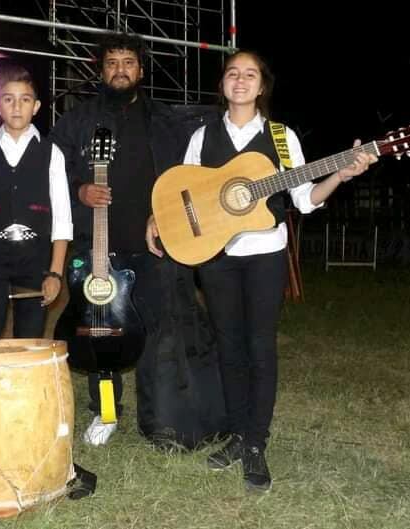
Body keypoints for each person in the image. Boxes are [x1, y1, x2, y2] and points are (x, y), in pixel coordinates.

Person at [152, 49, 377, 491]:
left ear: (262, 86)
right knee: (228, 346)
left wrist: (341, 176)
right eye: (232, 73)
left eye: (249, 74)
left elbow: (304, 200)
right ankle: (237, 435)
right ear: (222, 85)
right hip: (216, 255)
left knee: (259, 346)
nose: (240, 80)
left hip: (265, 254)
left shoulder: (280, 137)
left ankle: (255, 442)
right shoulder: (202, 136)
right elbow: (185, 189)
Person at [49, 33, 188, 446]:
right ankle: (107, 412)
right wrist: (80, 190)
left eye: (128, 62)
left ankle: (157, 417)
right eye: (112, 62)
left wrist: (163, 215)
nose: (121, 69)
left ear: (140, 70)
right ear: (101, 69)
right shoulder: (76, 119)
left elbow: (183, 177)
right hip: (97, 246)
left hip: (152, 246)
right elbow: (52, 171)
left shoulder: (163, 119)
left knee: (155, 332)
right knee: (101, 336)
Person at [0, 63, 73, 340]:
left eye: (25, 99)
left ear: (36, 106)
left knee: (30, 340)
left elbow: (62, 219)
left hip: (36, 262)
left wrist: (55, 275)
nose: (17, 107)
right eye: (9, 99)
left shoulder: (51, 153)